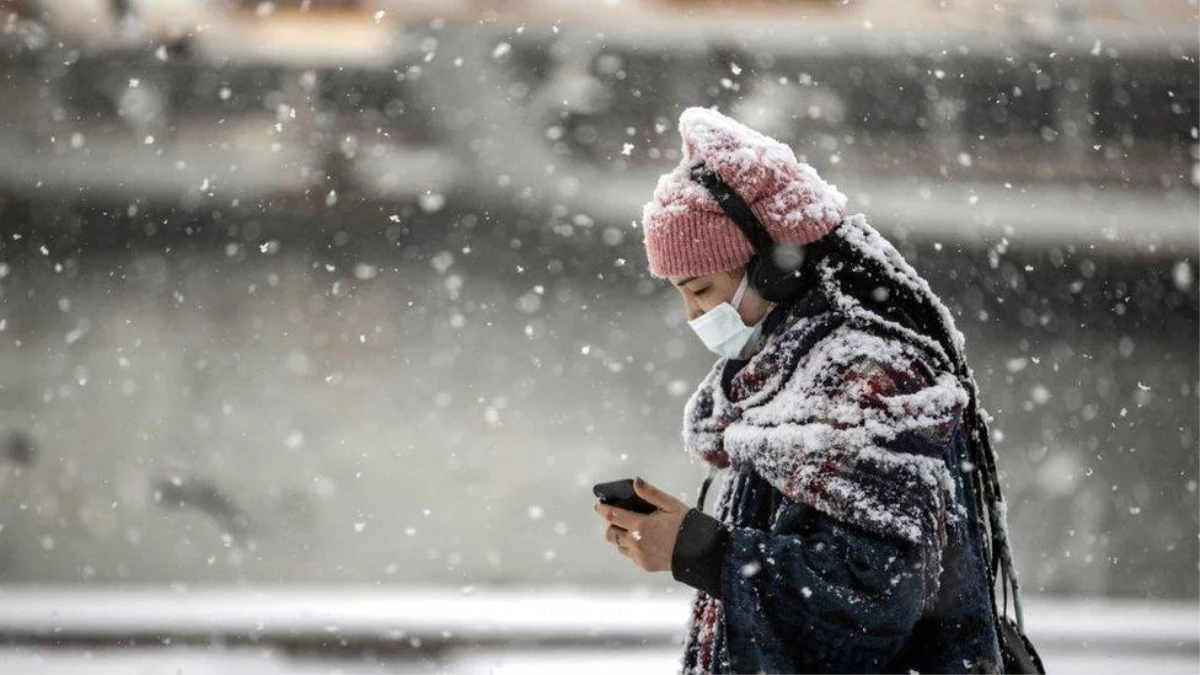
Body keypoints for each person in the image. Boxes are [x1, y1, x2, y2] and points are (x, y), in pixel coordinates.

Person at [593, 107, 1026, 674]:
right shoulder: (779, 381)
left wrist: (699, 550)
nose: (694, 314)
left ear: (773, 269)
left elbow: (869, 605)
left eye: (700, 289)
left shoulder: (865, 378)